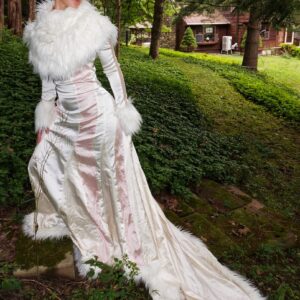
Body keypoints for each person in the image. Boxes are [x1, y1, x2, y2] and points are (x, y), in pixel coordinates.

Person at [21, 0, 267, 299]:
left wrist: (123, 110)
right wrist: (44, 119)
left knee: (109, 182)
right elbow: (47, 82)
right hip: (67, 118)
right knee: (46, 164)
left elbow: (112, 70)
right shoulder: (39, 29)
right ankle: (91, 224)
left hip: (99, 117)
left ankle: (117, 236)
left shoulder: (93, 23)